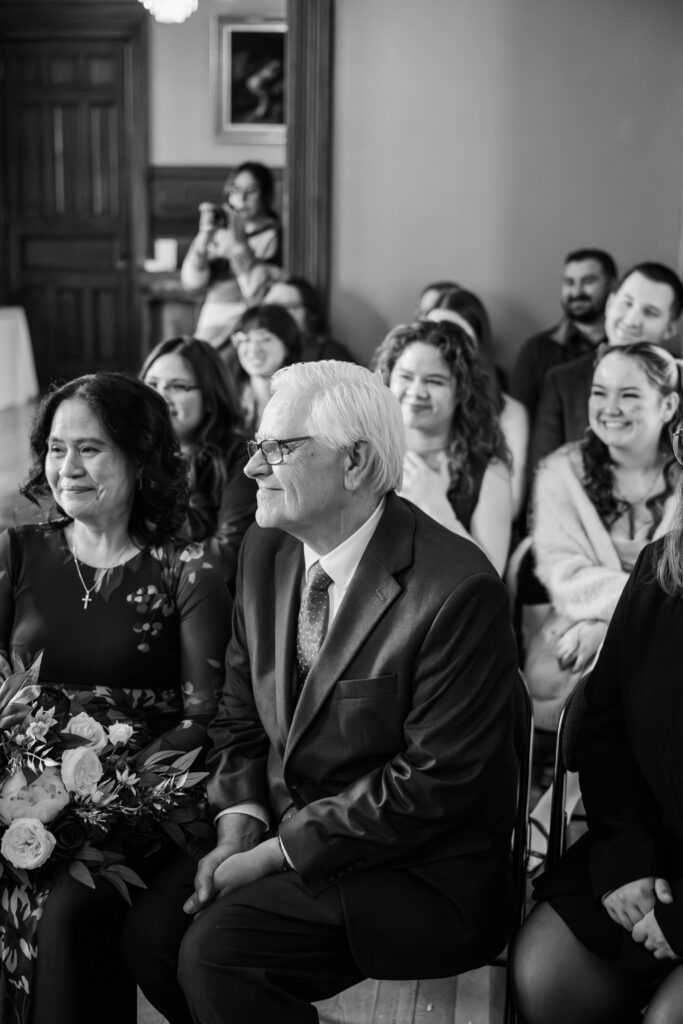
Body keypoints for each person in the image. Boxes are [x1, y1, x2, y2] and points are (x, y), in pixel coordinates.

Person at [127, 360, 519, 1024]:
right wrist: (238, 825)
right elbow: (239, 714)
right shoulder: (266, 549)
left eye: (278, 449)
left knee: (218, 954)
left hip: (415, 865)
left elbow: (437, 782)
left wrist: (280, 852)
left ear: (356, 462)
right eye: (257, 447)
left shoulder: (456, 590)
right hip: (285, 827)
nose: (252, 468)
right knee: (149, 936)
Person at [0, 373, 231, 1024]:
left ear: (140, 456)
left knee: (67, 911)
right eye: (55, 447)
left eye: (90, 449)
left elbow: (202, 720)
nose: (66, 466)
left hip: (134, 810)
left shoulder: (188, 569)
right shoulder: (18, 551)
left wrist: (99, 796)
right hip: (17, 800)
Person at [512, 447, 683, 1023]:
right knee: (546, 978)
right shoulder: (663, 564)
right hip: (649, 842)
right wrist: (624, 861)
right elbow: (607, 723)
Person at [524, 343, 682, 873]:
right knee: (606, 678)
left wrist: (612, 627)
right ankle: (601, 829)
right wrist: (606, 622)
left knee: (638, 676)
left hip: (664, 628)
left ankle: (567, 819)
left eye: (629, 394)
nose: (609, 406)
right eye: (599, 392)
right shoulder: (559, 470)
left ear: (667, 405)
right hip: (575, 622)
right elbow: (563, 574)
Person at [374, 319, 513, 574]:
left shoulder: (489, 471)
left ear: (461, 391)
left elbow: (491, 576)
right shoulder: (366, 454)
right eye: (405, 376)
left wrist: (436, 507)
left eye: (434, 381)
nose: (416, 391)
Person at [529, 262, 683, 474]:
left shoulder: (679, 381)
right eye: (626, 304)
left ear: (671, 328)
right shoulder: (563, 381)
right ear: (610, 305)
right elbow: (541, 472)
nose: (632, 320)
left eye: (650, 312)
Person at [140, 336, 257, 593]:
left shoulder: (241, 456)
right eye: (152, 384)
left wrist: (149, 575)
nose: (160, 396)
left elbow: (228, 554)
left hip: (204, 596)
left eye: (178, 386)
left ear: (210, 395)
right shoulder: (133, 452)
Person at [424, 286, 529, 518]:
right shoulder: (406, 403)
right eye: (431, 335)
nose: (440, 349)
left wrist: (436, 499)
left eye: (453, 339)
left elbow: (511, 505)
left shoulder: (510, 414)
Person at [180, 161, 282, 346]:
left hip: (245, 331)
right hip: (210, 324)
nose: (241, 199)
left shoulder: (273, 234)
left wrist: (240, 243)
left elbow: (257, 295)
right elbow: (192, 285)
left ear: (265, 195)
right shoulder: (220, 232)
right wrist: (204, 238)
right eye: (235, 190)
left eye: (250, 191)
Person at [510, 248, 617, 422]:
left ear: (612, 285)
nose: (576, 292)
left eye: (588, 281)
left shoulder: (626, 348)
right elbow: (518, 419)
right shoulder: (537, 350)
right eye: (569, 282)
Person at [220, 302, 303, 433]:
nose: (253, 349)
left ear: (287, 345)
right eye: (245, 340)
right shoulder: (226, 399)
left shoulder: (303, 401)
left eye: (264, 339)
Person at [265, 275, 356, 363]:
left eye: (291, 306)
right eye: (273, 307)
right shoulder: (257, 355)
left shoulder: (329, 353)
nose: (278, 314)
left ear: (310, 314)